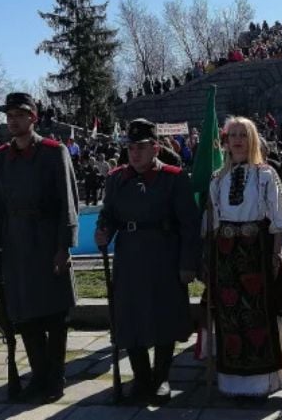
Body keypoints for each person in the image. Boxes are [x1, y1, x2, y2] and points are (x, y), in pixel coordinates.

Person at [95, 118, 199, 404]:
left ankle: (162, 376)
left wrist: (188, 263)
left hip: (164, 254)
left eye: (140, 147)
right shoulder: (116, 178)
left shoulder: (174, 178)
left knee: (164, 316)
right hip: (129, 256)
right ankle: (141, 378)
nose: (134, 153)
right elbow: (109, 214)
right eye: (130, 147)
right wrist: (103, 230)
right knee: (130, 318)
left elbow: (189, 223)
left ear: (155, 148)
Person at [0, 92, 79, 403]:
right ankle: (38, 375)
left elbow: (68, 203)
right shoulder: (0, 156)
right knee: (25, 314)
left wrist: (64, 246)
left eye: (19, 114)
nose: (13, 120)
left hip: (46, 240)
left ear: (33, 117)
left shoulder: (55, 152)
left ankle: (55, 377)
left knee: (55, 316)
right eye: (9, 115)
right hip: (16, 244)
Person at [206, 116, 282, 400]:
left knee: (258, 313)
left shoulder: (265, 174)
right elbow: (212, 223)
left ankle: (261, 382)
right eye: (232, 135)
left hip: (256, 251)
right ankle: (232, 382)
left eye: (243, 135)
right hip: (226, 255)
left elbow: (280, 218)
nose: (237, 140)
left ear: (252, 139)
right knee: (231, 316)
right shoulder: (217, 178)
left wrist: (274, 255)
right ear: (225, 141)